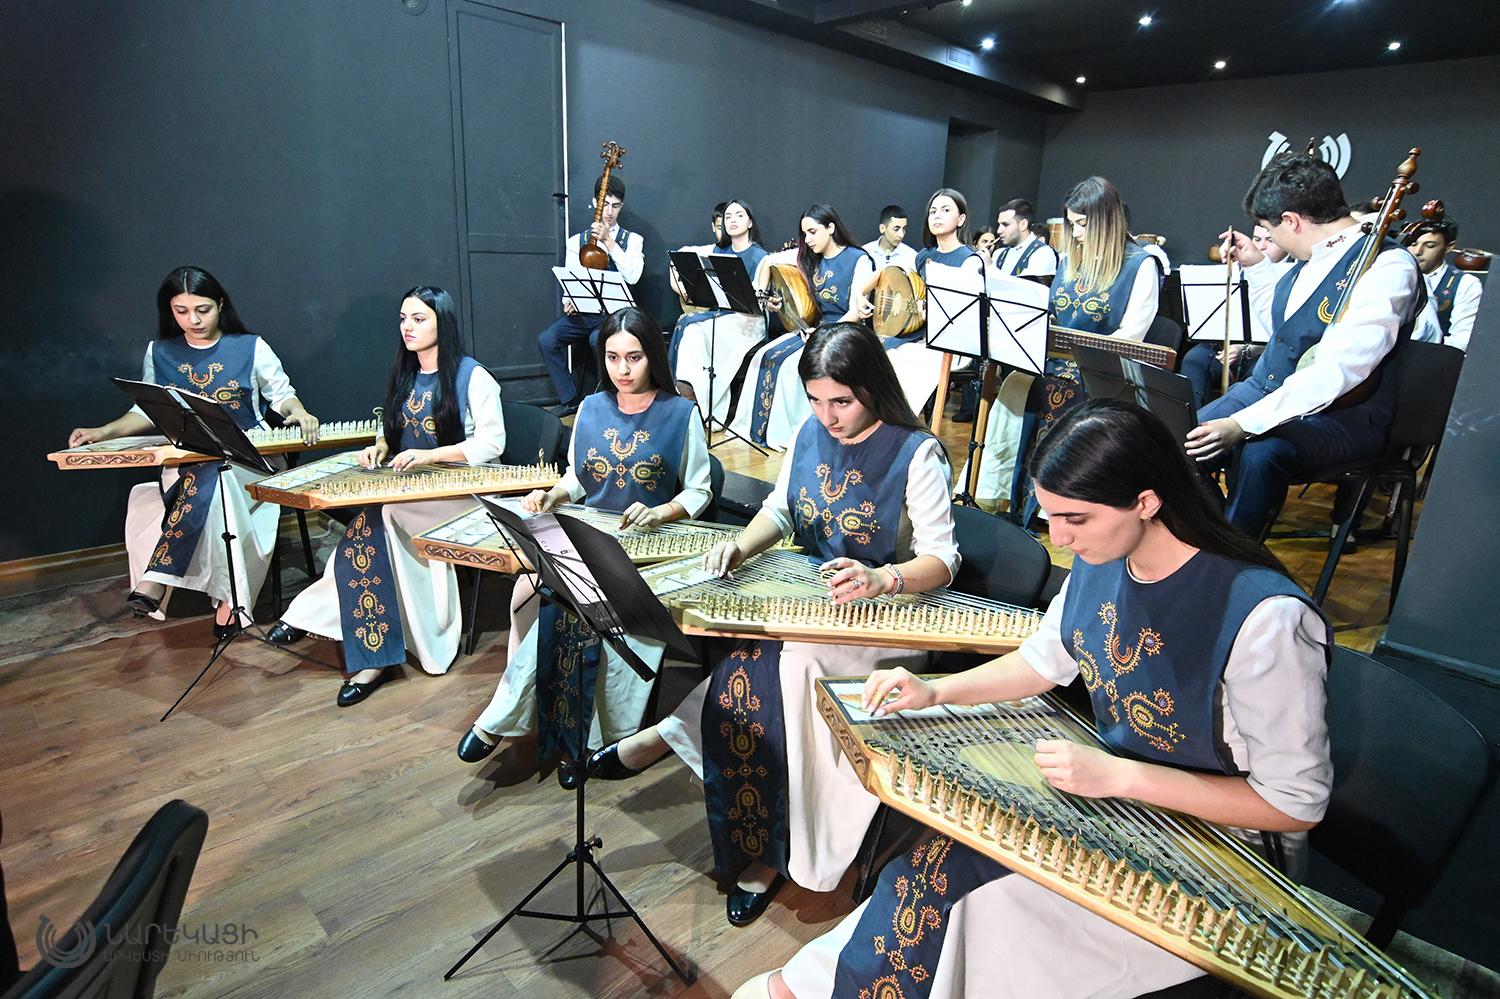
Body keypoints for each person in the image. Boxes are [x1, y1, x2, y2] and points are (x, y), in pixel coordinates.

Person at [738, 399, 1331, 999]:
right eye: (1050, 516)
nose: (1060, 538)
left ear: (1147, 502)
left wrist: (1121, 777)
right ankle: (814, 984)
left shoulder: (1265, 619)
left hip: (1219, 854)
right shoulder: (1105, 558)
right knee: (934, 868)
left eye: (1076, 519)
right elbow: (1042, 662)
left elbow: (1294, 805)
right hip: (1119, 803)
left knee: (973, 906)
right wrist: (937, 691)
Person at [589, 324, 958, 927]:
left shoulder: (916, 452)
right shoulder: (810, 433)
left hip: (886, 619)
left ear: (874, 389)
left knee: (783, 664)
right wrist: (741, 546)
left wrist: (882, 578)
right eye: (815, 400)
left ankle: (772, 849)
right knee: (757, 658)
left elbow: (942, 560)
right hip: (811, 600)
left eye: (842, 401)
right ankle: (741, 817)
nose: (827, 416)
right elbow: (780, 511)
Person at [458, 308, 711, 776]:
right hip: (590, 538)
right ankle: (551, 729)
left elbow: (699, 489)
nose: (623, 369)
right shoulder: (592, 408)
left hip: (651, 546)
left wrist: (661, 511)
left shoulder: (680, 414)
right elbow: (579, 476)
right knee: (567, 599)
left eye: (634, 357)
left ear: (653, 357)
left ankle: (563, 734)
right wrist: (553, 494)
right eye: (613, 357)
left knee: (593, 606)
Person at [268, 286, 505, 706]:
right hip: (411, 489)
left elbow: (492, 443)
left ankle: (331, 625)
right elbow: (392, 426)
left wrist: (431, 455)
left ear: (443, 323)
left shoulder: (473, 376)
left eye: (419, 319)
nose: (407, 327)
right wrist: (380, 445)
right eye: (403, 319)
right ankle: (370, 649)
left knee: (383, 515)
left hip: (464, 491)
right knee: (377, 520)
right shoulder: (406, 372)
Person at [68, 266, 319, 637]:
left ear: (220, 305)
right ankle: (229, 601)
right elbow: (146, 410)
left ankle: (160, 579)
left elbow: (281, 395)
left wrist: (299, 412)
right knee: (208, 473)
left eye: (203, 310)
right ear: (170, 311)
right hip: (187, 460)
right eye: (181, 311)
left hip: (249, 458)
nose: (193, 320)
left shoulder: (250, 347)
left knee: (218, 475)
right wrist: (103, 431)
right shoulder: (160, 352)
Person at [1186, 152, 1425, 541]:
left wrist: (1242, 424)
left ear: (1291, 221)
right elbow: (1287, 331)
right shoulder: (1309, 258)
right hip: (1267, 390)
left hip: (1347, 412)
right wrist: (1257, 267)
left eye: (1270, 229)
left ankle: (1235, 553)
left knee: (1260, 452)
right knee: (1176, 439)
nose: (1271, 239)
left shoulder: (1388, 266)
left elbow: (1338, 371)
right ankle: (1209, 534)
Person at [968, 177, 1161, 515]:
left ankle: (1054, 503)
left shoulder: (1140, 265)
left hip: (1101, 372)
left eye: (1083, 224)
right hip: (1052, 363)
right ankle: (1011, 497)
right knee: (1014, 387)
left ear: (1106, 221)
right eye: (1073, 224)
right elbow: (1051, 313)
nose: (1077, 233)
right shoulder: (1071, 259)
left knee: (1059, 392)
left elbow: (1130, 338)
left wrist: (1074, 348)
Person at [729, 205, 875, 450]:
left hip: (846, 332)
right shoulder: (810, 257)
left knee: (789, 366)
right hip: (817, 328)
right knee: (764, 357)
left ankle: (787, 435)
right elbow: (768, 261)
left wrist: (822, 334)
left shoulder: (858, 259)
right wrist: (765, 297)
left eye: (812, 232)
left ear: (831, 228)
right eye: (805, 234)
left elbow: (856, 313)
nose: (807, 240)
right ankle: (754, 430)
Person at [855, 188, 986, 420]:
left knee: (900, 360)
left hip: (949, 343)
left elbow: (964, 316)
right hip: (918, 334)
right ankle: (874, 419)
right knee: (871, 351)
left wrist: (932, 316)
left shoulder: (970, 260)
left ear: (961, 219)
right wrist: (861, 293)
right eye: (932, 211)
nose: (937, 216)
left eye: (945, 210)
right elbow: (890, 272)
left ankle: (898, 422)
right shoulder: (924, 256)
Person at [537, 174, 645, 416]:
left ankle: (609, 399)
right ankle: (570, 399)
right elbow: (571, 277)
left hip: (615, 317)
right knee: (547, 340)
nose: (609, 212)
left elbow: (634, 276)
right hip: (585, 313)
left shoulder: (633, 240)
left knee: (598, 340)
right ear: (595, 203)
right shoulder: (577, 241)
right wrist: (569, 300)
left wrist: (610, 242)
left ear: (621, 207)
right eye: (604, 204)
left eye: (615, 206)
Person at [668, 198, 771, 423]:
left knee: (697, 328)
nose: (733, 220)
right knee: (689, 325)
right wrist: (680, 285)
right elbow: (682, 253)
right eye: (728, 216)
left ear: (750, 222)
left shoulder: (761, 257)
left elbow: (759, 300)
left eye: (739, 215)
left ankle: (708, 406)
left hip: (748, 320)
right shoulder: (718, 250)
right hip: (721, 315)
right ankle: (689, 390)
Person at [1180, 223, 1291, 409]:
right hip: (1229, 346)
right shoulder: (1240, 267)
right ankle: (1191, 417)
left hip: (1262, 351)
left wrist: (1243, 348)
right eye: (1257, 239)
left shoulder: (1292, 272)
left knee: (1256, 373)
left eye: (1270, 240)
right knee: (1195, 359)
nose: (1262, 246)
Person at [1404, 208, 1482, 352]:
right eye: (1413, 244)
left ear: (1449, 247)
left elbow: (1463, 340)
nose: (1418, 251)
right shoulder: (1393, 276)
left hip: (1434, 359)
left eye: (1430, 246)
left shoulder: (1465, 284)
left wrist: (1429, 341)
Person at [990, 198, 1059, 278]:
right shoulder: (999, 254)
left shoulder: (1043, 253)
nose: (999, 231)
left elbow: (1025, 285)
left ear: (1023, 225)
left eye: (1005, 225)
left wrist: (990, 268)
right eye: (999, 225)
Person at [862, 204, 917, 270]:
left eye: (904, 229)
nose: (901, 235)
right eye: (896, 229)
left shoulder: (911, 256)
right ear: (882, 228)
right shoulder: (865, 253)